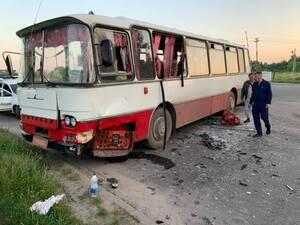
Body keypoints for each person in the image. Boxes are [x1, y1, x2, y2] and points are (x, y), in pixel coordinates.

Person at [250, 71, 272, 137]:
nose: (254, 78)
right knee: (255, 118)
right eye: (254, 77)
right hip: (256, 104)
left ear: (260, 76)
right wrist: (250, 102)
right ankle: (259, 132)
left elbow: (269, 94)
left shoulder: (266, 84)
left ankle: (268, 126)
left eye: (256, 77)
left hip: (264, 104)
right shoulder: (254, 84)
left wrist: (268, 102)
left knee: (264, 117)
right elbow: (253, 94)